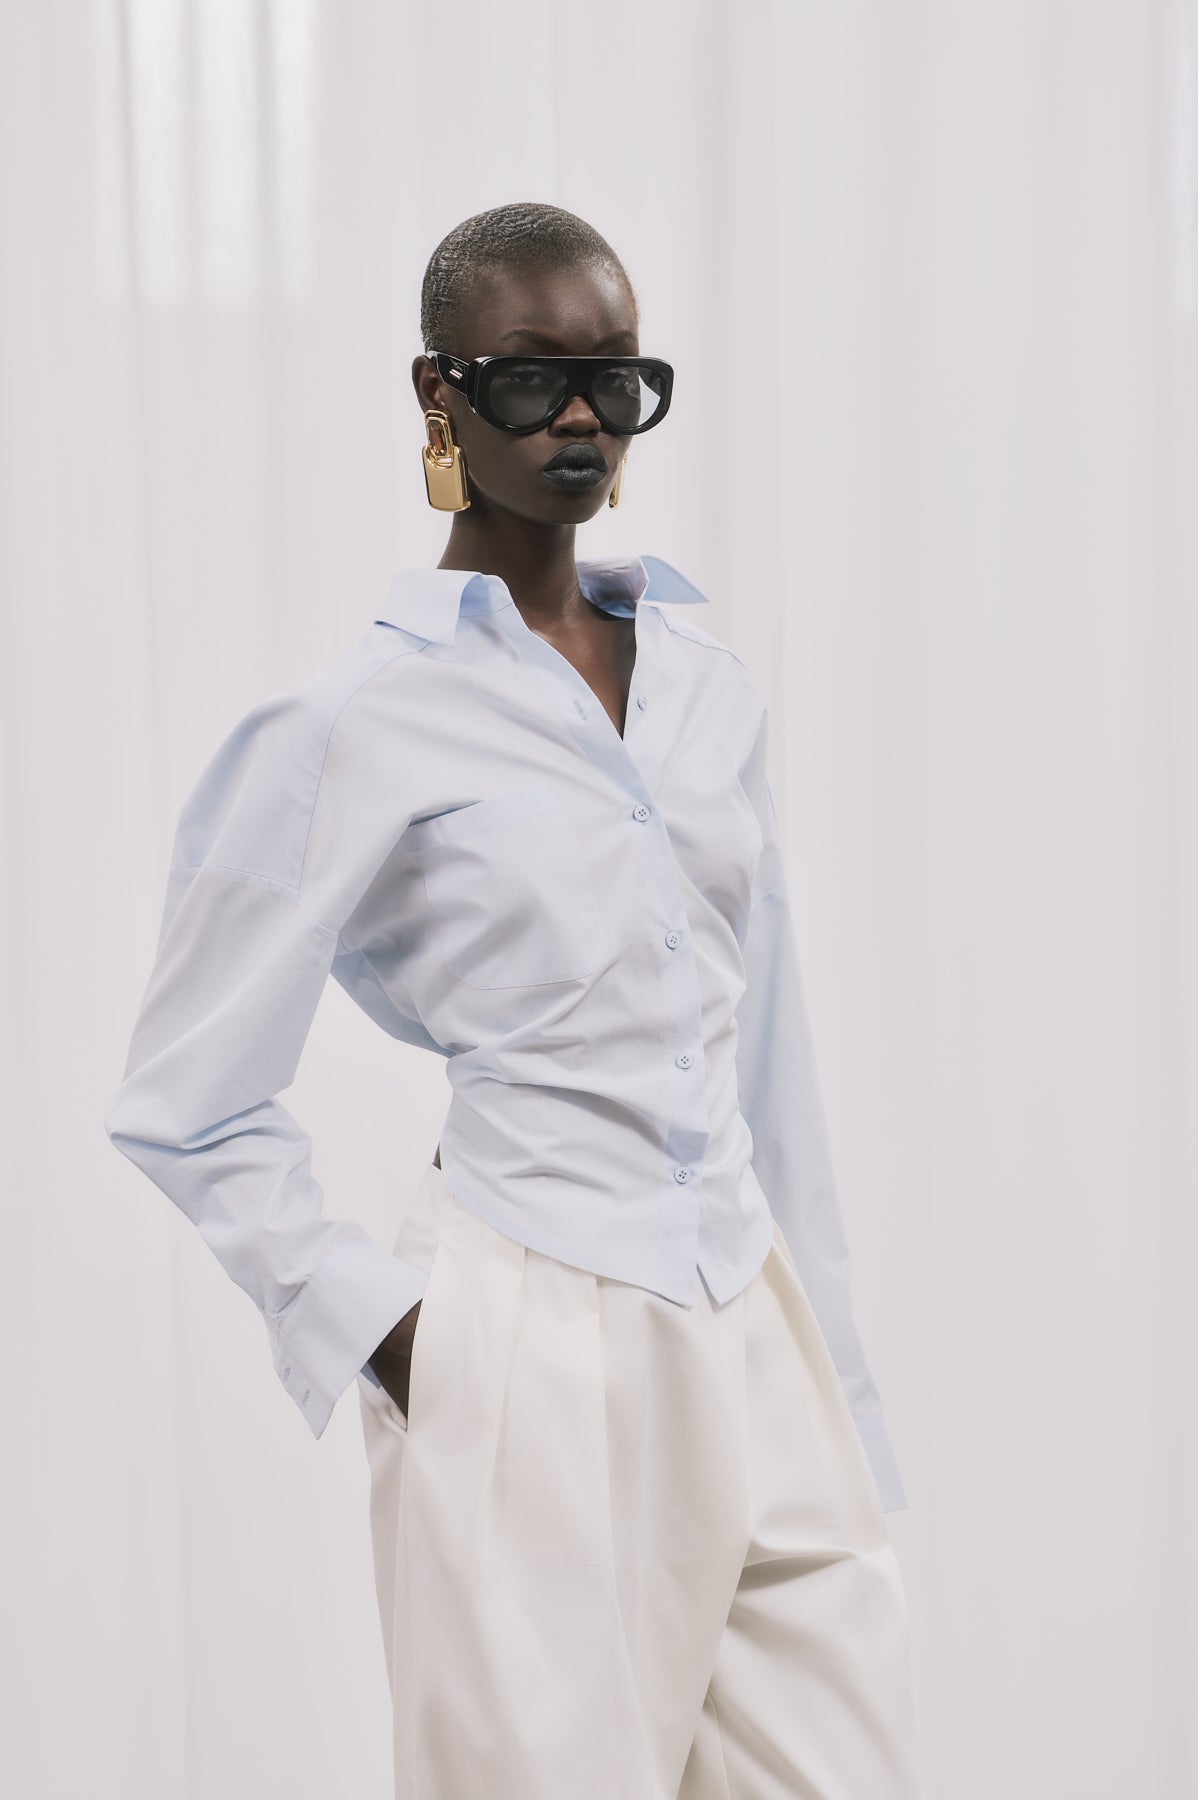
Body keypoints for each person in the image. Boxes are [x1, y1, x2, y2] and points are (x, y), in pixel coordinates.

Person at [104, 201, 929, 1799]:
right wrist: (391, 1335)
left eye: (617, 382)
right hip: (528, 1328)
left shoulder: (707, 692)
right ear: (439, 394)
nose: (580, 418)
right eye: (533, 378)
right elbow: (183, 1096)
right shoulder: (357, 722)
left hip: (752, 1322)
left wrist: (836, 1381)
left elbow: (767, 1063)